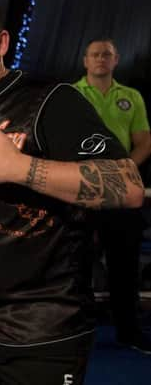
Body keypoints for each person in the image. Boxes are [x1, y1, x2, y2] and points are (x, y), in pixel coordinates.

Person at [0, 0, 145, 385]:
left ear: (1, 42)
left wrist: (23, 168)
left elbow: (127, 185)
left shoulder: (50, 101)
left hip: (44, 336)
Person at [74, 38, 151, 354]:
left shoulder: (131, 97)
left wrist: (119, 173)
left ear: (116, 60)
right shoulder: (71, 95)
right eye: (95, 54)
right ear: (85, 61)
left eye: (107, 54)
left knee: (125, 265)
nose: (101, 59)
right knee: (76, 264)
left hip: (120, 194)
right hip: (80, 190)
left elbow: (144, 142)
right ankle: (76, 332)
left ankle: (128, 331)